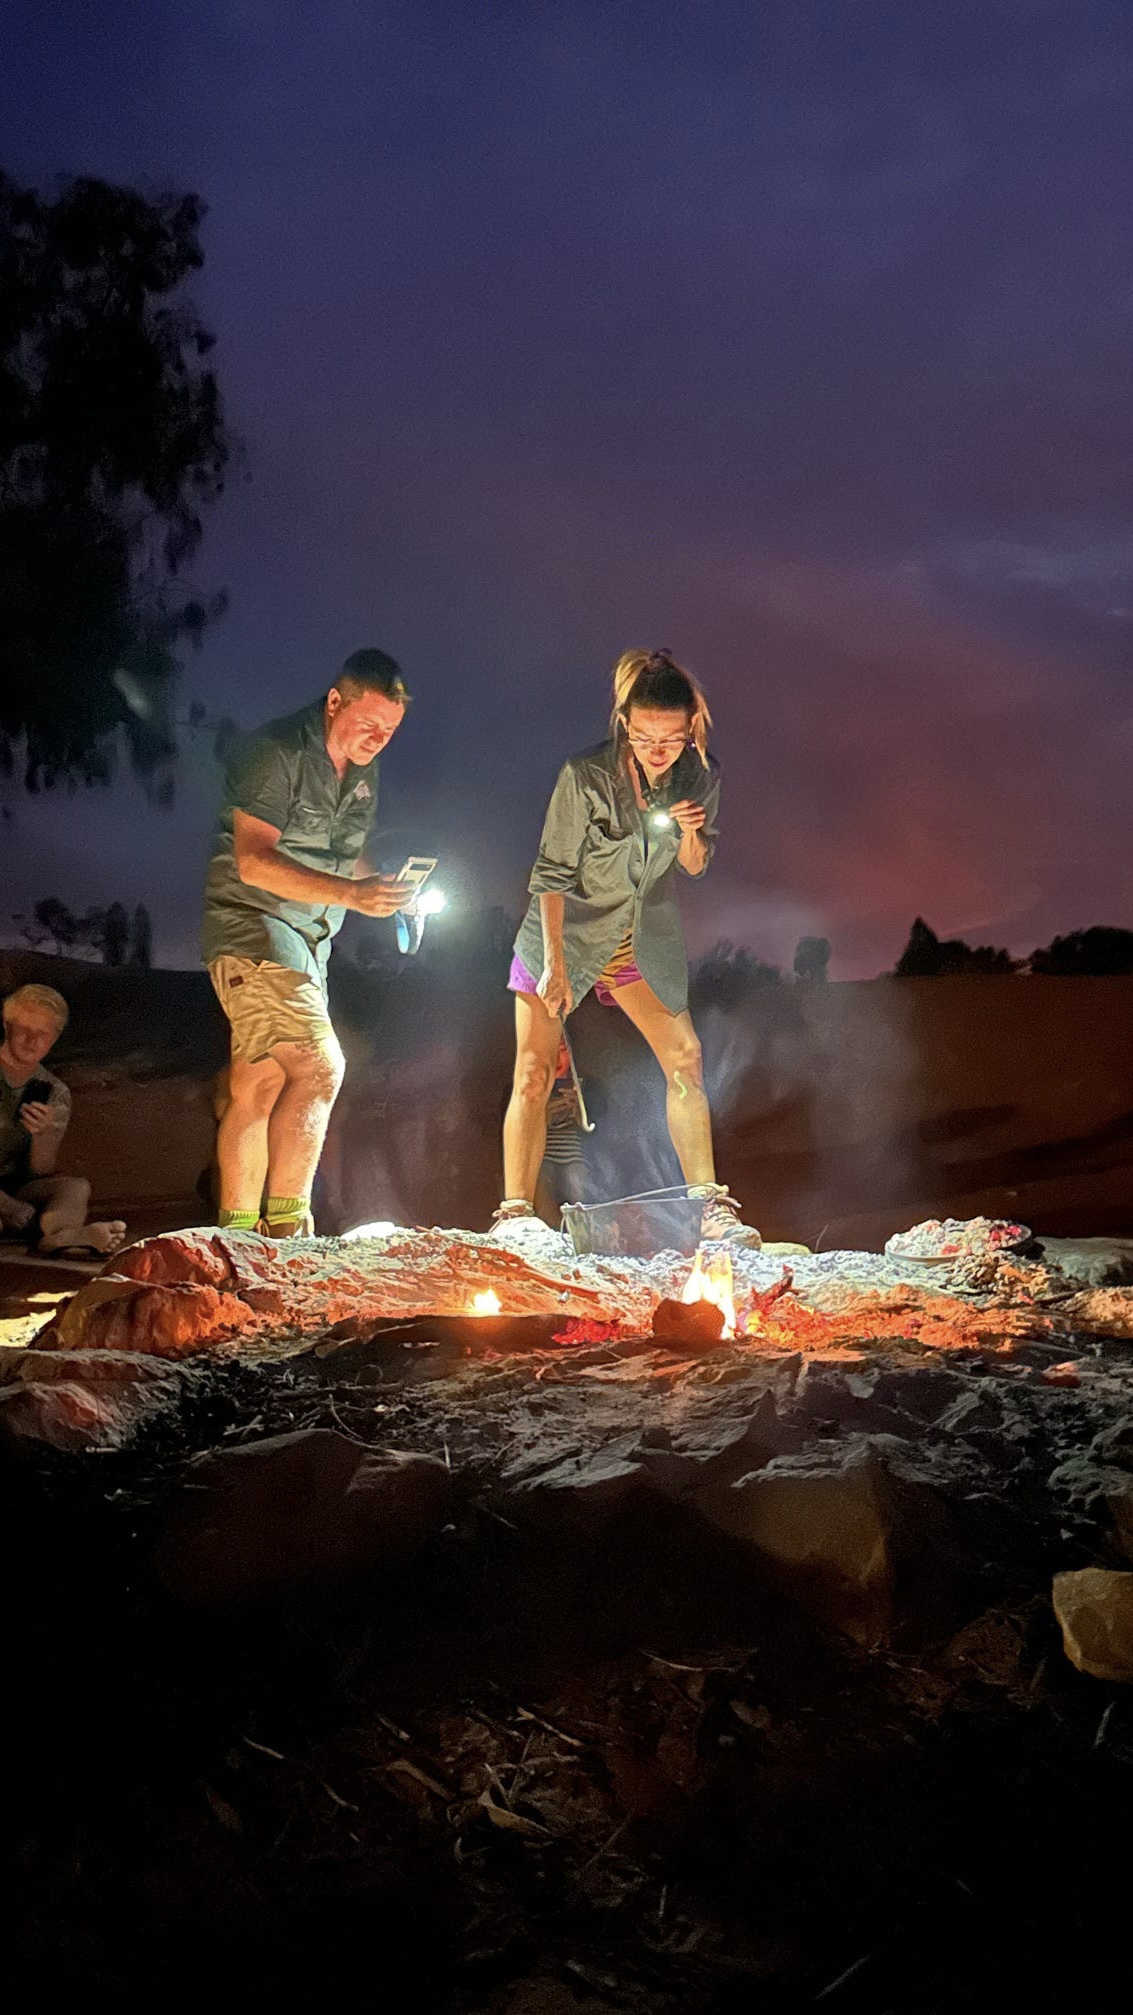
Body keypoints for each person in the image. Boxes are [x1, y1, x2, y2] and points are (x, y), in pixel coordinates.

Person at [497, 648, 761, 1246]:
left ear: (690, 727)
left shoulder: (702, 774)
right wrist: (557, 970)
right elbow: (550, 875)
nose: (656, 750)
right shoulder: (584, 776)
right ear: (624, 724)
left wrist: (692, 830)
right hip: (563, 934)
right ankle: (515, 1216)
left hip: (640, 941)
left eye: (669, 738)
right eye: (643, 738)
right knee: (535, 1071)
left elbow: (694, 866)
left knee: (686, 1058)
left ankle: (709, 1209)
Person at [201, 647, 414, 1239]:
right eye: (368, 723)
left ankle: (238, 1240)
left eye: (389, 731)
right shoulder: (275, 753)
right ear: (334, 701)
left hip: (309, 940)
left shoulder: (364, 773)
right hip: (255, 928)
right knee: (321, 1067)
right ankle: (290, 1238)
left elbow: (346, 856)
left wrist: (387, 890)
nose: (377, 739)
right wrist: (354, 896)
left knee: (259, 1083)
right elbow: (253, 861)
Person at [0, 984, 127, 1256]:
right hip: (9, 1203)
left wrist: (43, 1135)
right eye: (24, 1030)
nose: (32, 1041)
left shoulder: (53, 1090)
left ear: (54, 1038)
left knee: (75, 1187)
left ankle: (61, 1237)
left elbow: (42, 1169)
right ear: (7, 1025)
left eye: (42, 1034)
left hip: (15, 1187)